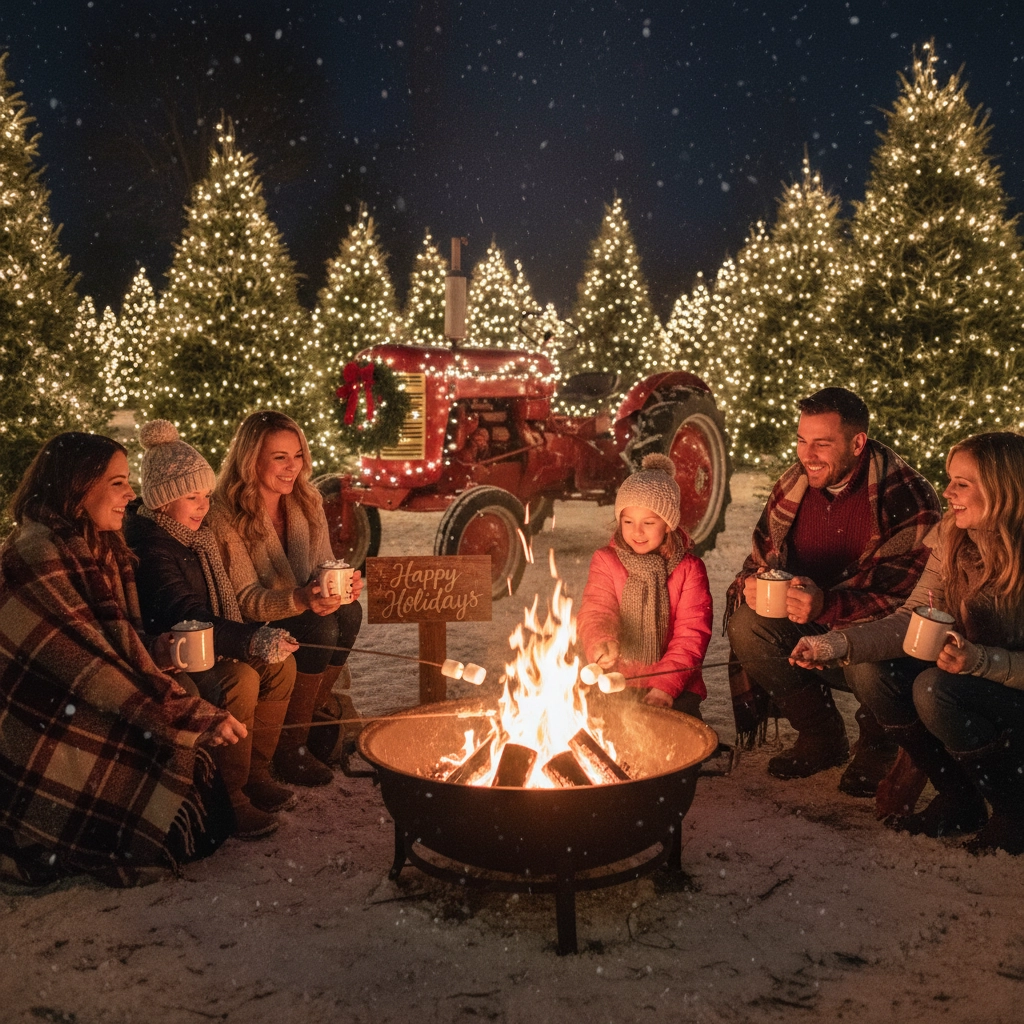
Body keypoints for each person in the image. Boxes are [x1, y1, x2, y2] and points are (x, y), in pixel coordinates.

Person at [0, 433, 244, 886]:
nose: (131, 494)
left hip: (84, 691)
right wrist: (191, 716)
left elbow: (112, 640)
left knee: (211, 824)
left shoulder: (99, 546)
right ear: (77, 486)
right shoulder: (36, 553)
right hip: (48, 713)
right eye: (118, 483)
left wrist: (156, 650)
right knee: (189, 819)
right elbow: (87, 667)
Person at [791, 432, 1024, 853]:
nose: (947, 491)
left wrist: (977, 660)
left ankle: (1014, 810)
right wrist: (833, 646)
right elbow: (910, 621)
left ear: (1003, 490)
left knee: (933, 689)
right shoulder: (953, 537)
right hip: (970, 674)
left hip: (1009, 689)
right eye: (950, 479)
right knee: (870, 672)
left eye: (962, 483)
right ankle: (959, 797)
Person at [726, 388, 941, 794]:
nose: (808, 455)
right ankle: (821, 734)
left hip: (879, 637)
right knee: (747, 625)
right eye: (802, 440)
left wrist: (826, 605)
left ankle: (879, 742)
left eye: (822, 444)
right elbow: (757, 562)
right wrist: (753, 585)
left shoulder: (906, 496)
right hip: (807, 625)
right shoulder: (792, 485)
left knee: (866, 659)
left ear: (857, 443)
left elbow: (908, 604)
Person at [126, 420, 299, 839]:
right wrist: (252, 639)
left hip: (212, 638)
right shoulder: (155, 548)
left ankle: (256, 771)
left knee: (281, 668)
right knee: (240, 678)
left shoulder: (197, 538)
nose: (203, 506)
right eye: (191, 496)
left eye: (205, 494)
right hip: (177, 652)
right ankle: (231, 795)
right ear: (162, 501)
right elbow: (187, 615)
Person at [207, 411, 363, 787]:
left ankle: (304, 727)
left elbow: (324, 562)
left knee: (350, 613)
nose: (293, 467)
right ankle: (289, 748)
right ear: (251, 460)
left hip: (301, 605)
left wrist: (339, 587)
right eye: (280, 457)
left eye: (297, 455)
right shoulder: (225, 514)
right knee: (320, 625)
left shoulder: (306, 501)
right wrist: (302, 600)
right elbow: (243, 599)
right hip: (247, 622)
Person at [577, 454, 713, 716]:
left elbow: (691, 636)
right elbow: (597, 611)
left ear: (668, 524)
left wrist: (665, 685)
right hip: (617, 679)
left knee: (673, 739)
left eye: (649, 523)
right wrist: (601, 641)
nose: (637, 532)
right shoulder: (606, 560)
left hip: (674, 683)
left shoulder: (689, 570)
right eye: (628, 522)